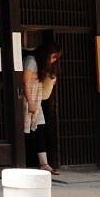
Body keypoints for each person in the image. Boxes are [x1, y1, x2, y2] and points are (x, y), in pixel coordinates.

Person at [22, 34, 62, 174]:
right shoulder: (31, 61)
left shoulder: (39, 64)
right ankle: (22, 162)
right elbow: (25, 82)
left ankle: (43, 163)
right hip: (27, 101)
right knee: (25, 130)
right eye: (53, 57)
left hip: (36, 101)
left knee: (40, 130)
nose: (52, 61)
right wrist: (30, 103)